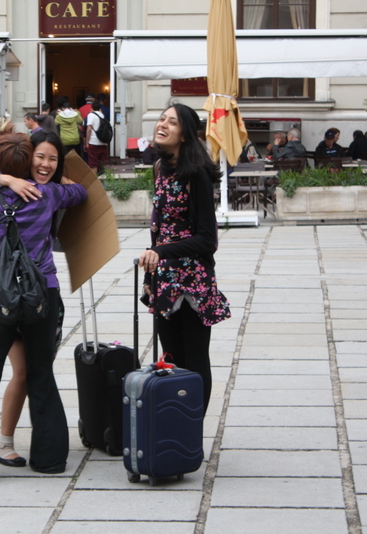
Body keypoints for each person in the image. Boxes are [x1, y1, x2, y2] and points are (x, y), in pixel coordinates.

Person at [0, 131, 87, 481]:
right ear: (28, 161)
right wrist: (61, 179)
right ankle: (50, 459)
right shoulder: (48, 194)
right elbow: (80, 193)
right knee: (41, 374)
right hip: (42, 293)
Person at [138, 103, 230, 415]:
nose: (162, 125)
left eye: (172, 122)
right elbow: (159, 230)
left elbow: (207, 239)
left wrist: (162, 253)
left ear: (186, 135)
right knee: (171, 358)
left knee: (195, 359)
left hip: (193, 280)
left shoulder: (197, 174)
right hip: (164, 278)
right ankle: (175, 423)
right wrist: (149, 277)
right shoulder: (159, 169)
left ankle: (193, 427)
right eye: (161, 119)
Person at [85, 101, 109, 172]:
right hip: (103, 142)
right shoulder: (102, 115)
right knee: (104, 162)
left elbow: (89, 129)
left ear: (92, 107)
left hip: (93, 142)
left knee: (93, 163)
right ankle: (106, 177)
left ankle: (95, 178)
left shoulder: (91, 115)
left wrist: (87, 142)